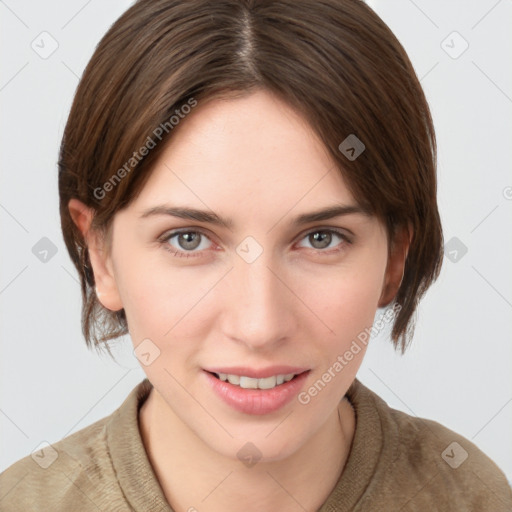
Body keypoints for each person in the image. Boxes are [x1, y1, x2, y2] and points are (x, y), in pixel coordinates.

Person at [1, 0, 511, 510]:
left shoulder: (471, 497)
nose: (260, 326)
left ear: (395, 256)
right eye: (189, 239)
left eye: (321, 238)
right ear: (102, 256)